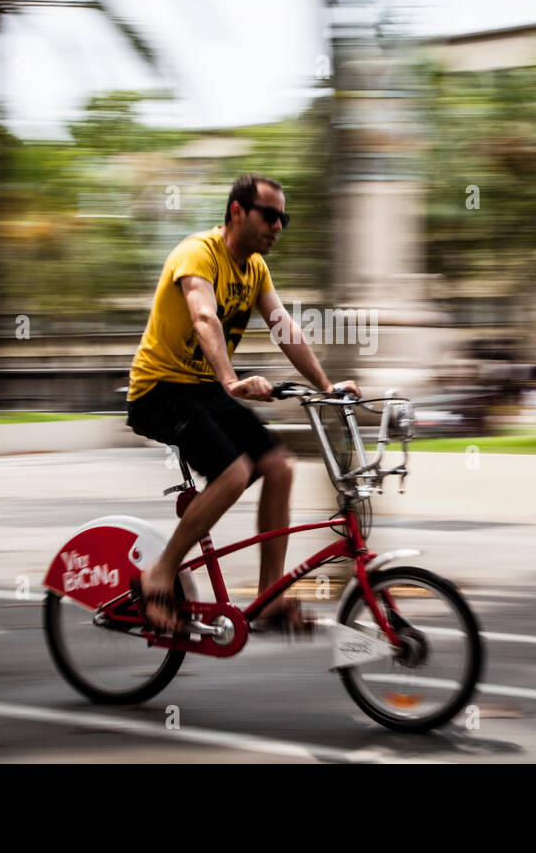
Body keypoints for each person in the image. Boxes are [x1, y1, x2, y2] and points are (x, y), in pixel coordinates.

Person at [125, 173, 360, 634]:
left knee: (279, 466)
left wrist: (326, 386)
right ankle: (160, 572)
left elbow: (283, 327)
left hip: (205, 390)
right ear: (237, 212)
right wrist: (231, 380)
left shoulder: (255, 270)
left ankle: (270, 597)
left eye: (283, 219)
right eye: (270, 215)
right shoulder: (199, 254)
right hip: (160, 389)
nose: (278, 226)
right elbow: (202, 315)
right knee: (233, 472)